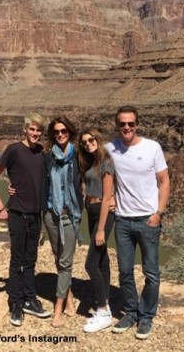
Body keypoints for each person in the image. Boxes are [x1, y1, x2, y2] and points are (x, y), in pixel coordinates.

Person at [105, 106, 170, 340]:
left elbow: (164, 181)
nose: (126, 127)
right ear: (117, 125)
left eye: (130, 123)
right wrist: (110, 196)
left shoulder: (152, 147)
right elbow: (90, 167)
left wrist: (159, 212)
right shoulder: (110, 149)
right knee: (124, 271)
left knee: (151, 272)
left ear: (137, 125)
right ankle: (131, 312)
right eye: (122, 124)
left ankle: (146, 316)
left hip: (148, 220)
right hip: (123, 220)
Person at [0, 113, 51, 327]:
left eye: (39, 130)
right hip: (16, 213)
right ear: (25, 129)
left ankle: (29, 299)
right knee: (17, 260)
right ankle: (15, 303)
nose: (35, 133)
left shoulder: (42, 152)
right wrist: (0, 207)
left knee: (31, 260)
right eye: (32, 129)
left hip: (36, 214)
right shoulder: (14, 149)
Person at [42, 116, 83, 328]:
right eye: (56, 131)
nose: (60, 134)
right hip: (50, 215)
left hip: (69, 215)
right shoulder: (47, 157)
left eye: (64, 131)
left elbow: (97, 174)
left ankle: (57, 308)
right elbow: (37, 181)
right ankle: (68, 295)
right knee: (58, 258)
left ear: (70, 132)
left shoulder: (79, 156)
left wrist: (109, 197)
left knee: (65, 263)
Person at [78, 128, 115, 333]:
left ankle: (103, 311)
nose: (88, 144)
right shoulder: (90, 161)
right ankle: (106, 301)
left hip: (103, 213)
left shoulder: (106, 162)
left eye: (91, 140)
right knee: (102, 259)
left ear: (98, 140)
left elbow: (108, 196)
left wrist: (101, 229)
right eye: (84, 142)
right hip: (91, 210)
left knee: (91, 263)